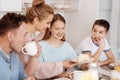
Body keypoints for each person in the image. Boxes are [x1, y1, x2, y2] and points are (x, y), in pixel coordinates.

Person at [19, 0, 78, 79]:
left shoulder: (30, 38)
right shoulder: (22, 38)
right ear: (36, 20)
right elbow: (34, 70)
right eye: (47, 23)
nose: (48, 26)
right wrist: (61, 65)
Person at [0, 13, 38, 80]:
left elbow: (22, 76)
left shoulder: (14, 55)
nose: (26, 40)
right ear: (10, 36)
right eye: (24, 35)